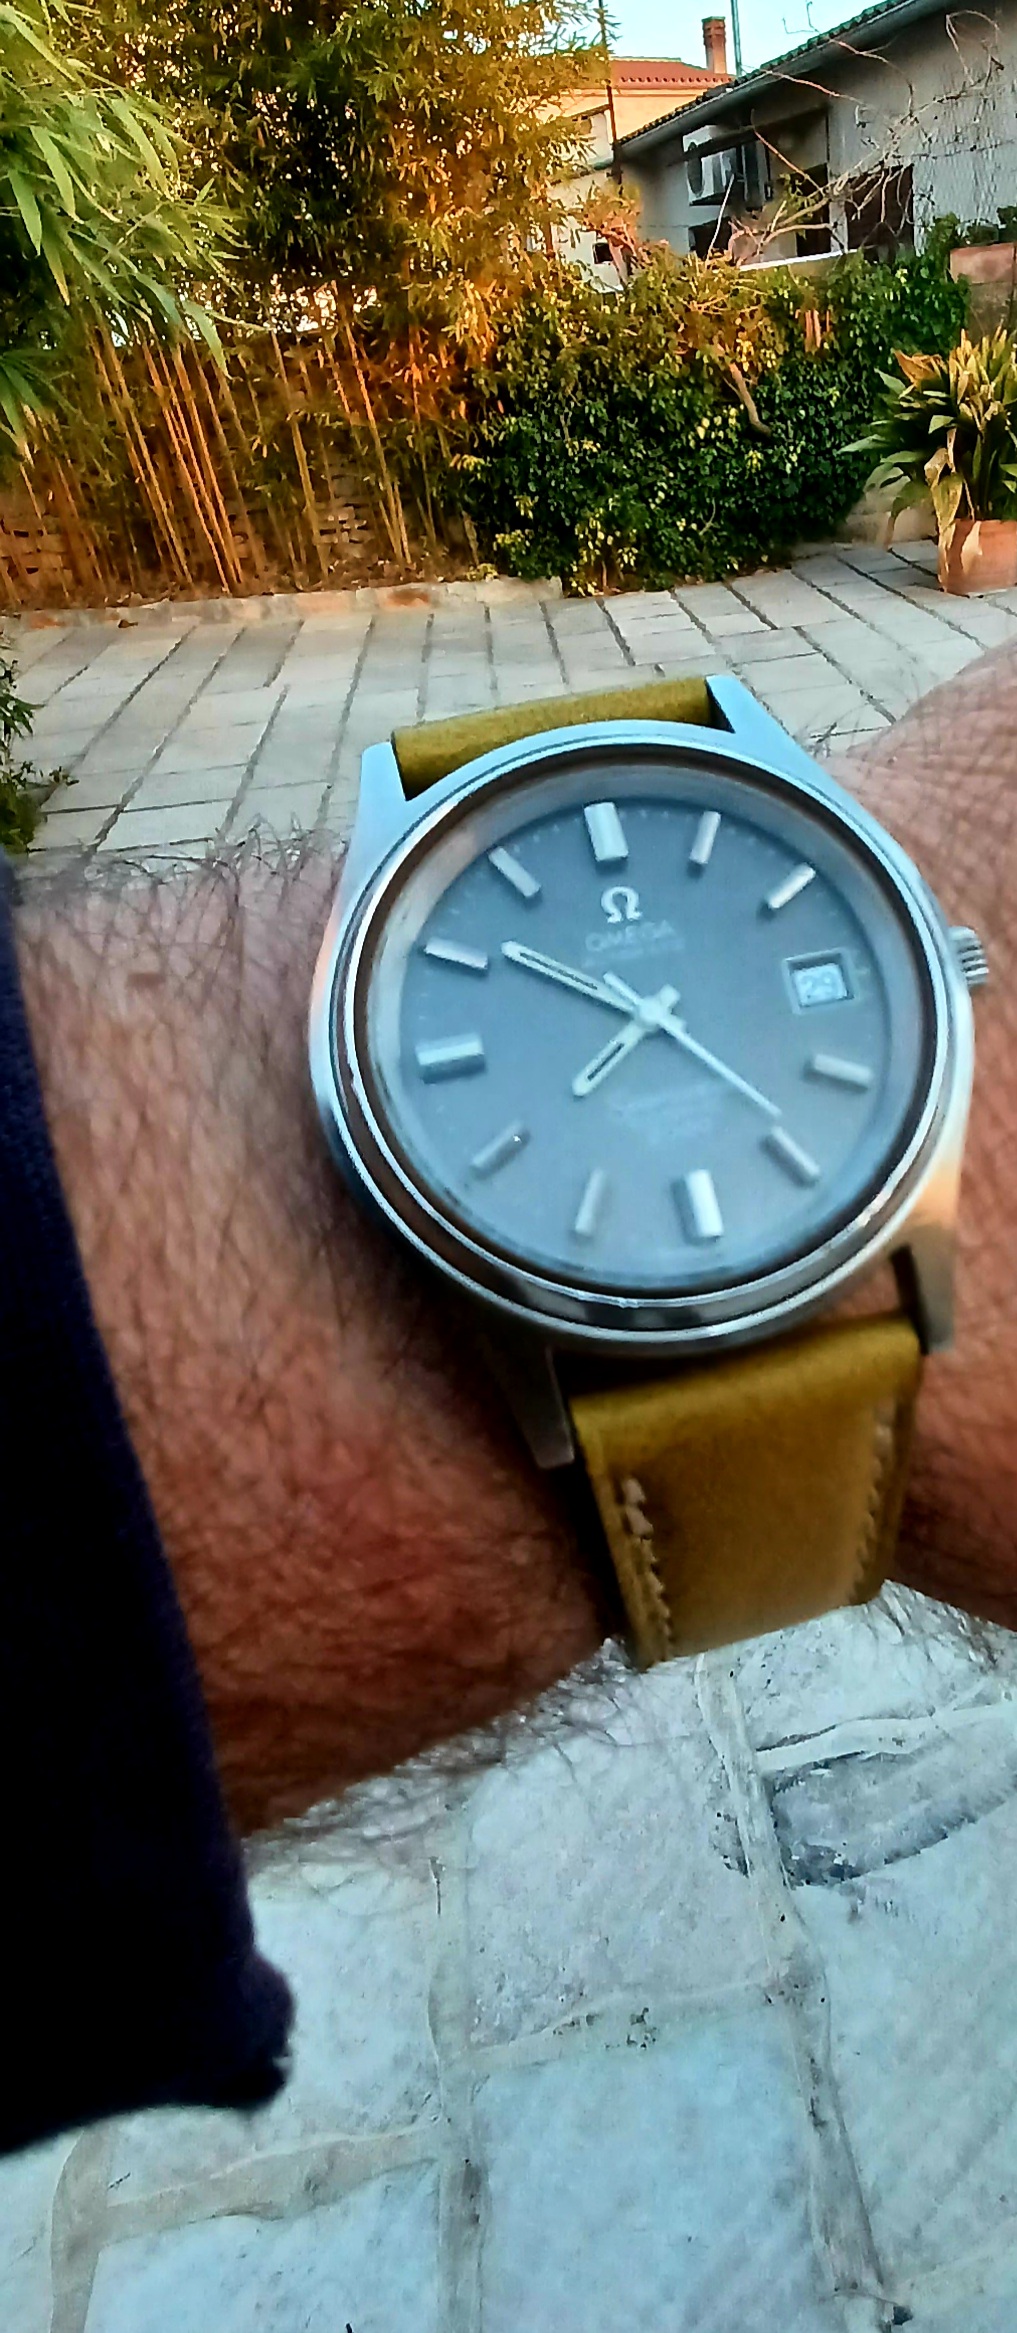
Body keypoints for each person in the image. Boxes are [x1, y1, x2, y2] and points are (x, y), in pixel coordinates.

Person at [2, 638, 1015, 2148]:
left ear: (948, 960)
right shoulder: (383, 1058)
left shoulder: (907, 1100)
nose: (653, 1022)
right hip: (573, 1319)